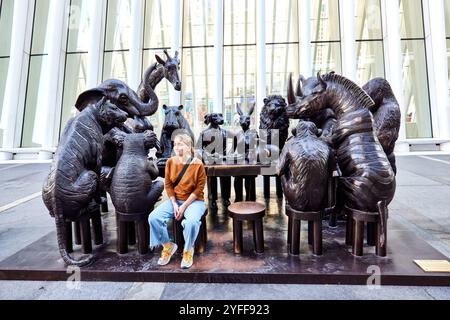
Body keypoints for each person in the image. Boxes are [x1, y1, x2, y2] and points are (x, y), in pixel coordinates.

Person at [148, 133, 207, 269]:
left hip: (194, 201)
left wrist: (184, 206)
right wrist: (174, 204)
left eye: (180, 144)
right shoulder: (170, 162)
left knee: (191, 222)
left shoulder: (197, 164)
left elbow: (199, 189)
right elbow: (168, 185)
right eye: (175, 144)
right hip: (175, 200)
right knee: (154, 217)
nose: (176, 147)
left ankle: (188, 250)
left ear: (189, 146)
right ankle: (168, 246)